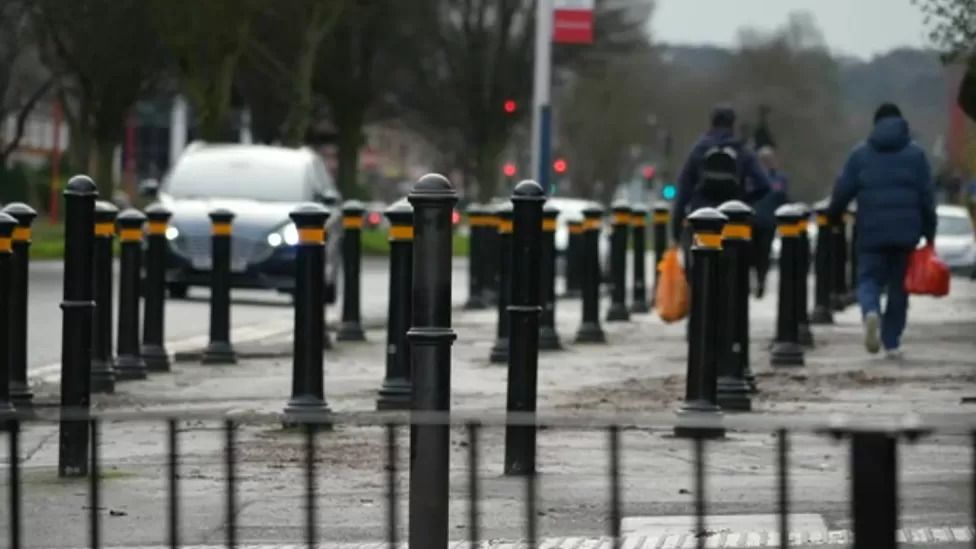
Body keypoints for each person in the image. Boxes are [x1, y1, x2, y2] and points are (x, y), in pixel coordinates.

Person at [828, 103, 936, 359]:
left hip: (871, 231)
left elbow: (843, 190)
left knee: (868, 279)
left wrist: (833, 215)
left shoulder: (860, 154)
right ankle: (892, 342)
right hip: (906, 234)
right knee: (900, 287)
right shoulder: (916, 156)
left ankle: (870, 311)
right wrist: (929, 234)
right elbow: (927, 199)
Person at [671, 105, 772, 275]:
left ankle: (700, 293)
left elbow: (683, 189)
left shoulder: (699, 150)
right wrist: (745, 200)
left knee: (698, 267)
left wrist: (676, 226)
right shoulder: (742, 150)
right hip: (734, 218)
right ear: (732, 124)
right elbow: (764, 184)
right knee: (737, 269)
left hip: (701, 216)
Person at [751, 146, 790, 297]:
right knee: (752, 253)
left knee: (764, 253)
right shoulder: (752, 177)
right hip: (752, 220)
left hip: (768, 222)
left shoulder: (780, 178)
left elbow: (783, 198)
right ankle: (754, 279)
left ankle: (761, 280)